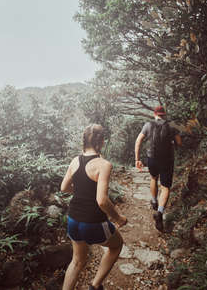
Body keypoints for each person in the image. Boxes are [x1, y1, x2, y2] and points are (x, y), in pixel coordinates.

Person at [61, 124, 127, 290]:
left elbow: (64, 188)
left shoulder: (75, 161)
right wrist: (119, 218)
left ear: (84, 140)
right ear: (102, 141)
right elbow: (102, 201)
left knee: (77, 261)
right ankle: (95, 284)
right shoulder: (103, 164)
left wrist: (81, 192)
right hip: (93, 222)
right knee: (116, 245)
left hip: (73, 220)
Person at [134, 106, 182, 232]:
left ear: (155, 114)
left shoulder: (148, 125)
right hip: (167, 160)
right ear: (164, 114)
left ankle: (154, 201)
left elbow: (138, 141)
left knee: (153, 178)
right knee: (165, 187)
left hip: (152, 158)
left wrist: (137, 159)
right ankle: (160, 212)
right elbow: (179, 142)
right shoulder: (171, 126)